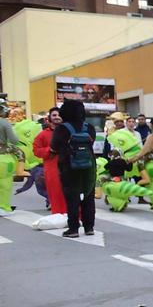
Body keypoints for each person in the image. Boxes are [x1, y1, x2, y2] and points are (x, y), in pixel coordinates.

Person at [49, 99, 97, 237]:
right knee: (88, 196)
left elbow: (54, 148)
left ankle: (73, 228)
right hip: (89, 165)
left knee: (72, 198)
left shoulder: (62, 128)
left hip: (69, 166)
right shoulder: (89, 127)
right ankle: (89, 227)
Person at [33, 109, 66, 215]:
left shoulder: (69, 131)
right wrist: (49, 150)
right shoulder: (43, 135)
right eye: (54, 115)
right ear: (49, 118)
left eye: (59, 115)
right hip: (52, 168)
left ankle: (73, 217)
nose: (57, 117)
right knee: (55, 193)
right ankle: (57, 215)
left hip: (69, 166)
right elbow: (36, 151)